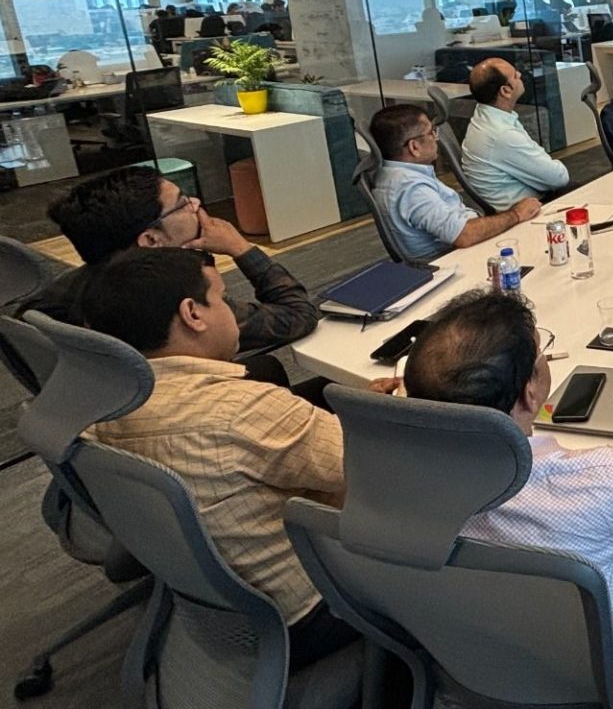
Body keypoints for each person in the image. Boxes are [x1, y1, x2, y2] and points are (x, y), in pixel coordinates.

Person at [82, 249, 397, 668]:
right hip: (313, 612)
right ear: (193, 313)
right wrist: (396, 413)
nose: (233, 311)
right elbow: (385, 474)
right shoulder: (244, 411)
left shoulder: (103, 404)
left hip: (230, 609)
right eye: (223, 298)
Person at [404, 290, 613, 691]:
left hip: (467, 666)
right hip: (603, 682)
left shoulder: (392, 482)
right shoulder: (596, 480)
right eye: (541, 353)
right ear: (530, 393)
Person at [29, 166, 318, 355]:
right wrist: (240, 248)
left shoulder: (65, 289)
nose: (196, 205)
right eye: (183, 203)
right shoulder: (175, 299)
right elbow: (297, 316)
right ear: (151, 240)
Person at [369, 104, 542, 262]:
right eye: (431, 132)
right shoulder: (411, 188)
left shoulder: (396, 175)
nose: (436, 138)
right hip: (457, 260)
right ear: (414, 147)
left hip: (464, 249)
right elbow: (464, 235)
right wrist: (516, 214)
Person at [460, 57, 570, 210]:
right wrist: (547, 163)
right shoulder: (502, 134)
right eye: (514, 75)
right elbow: (559, 178)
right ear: (505, 91)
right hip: (526, 209)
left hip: (528, 199)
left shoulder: (487, 114)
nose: (520, 74)